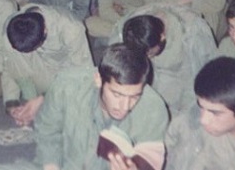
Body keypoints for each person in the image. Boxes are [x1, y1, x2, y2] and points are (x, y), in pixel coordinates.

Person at [33, 43, 169, 170]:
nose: (125, 106)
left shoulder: (153, 108)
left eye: (134, 97)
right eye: (117, 95)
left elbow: (151, 158)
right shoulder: (66, 87)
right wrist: (51, 165)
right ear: (98, 79)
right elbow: (47, 131)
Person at [114, 3, 217, 114]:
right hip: (144, 91)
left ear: (162, 36)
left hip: (179, 95)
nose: (147, 58)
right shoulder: (128, 29)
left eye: (150, 53)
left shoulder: (192, 34)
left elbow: (203, 79)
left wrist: (184, 114)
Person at [2, 3, 93, 126]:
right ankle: (34, 104)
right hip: (37, 72)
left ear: (45, 30)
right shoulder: (12, 28)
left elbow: (83, 73)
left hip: (64, 74)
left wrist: (43, 99)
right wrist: (13, 104)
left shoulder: (71, 28)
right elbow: (12, 67)